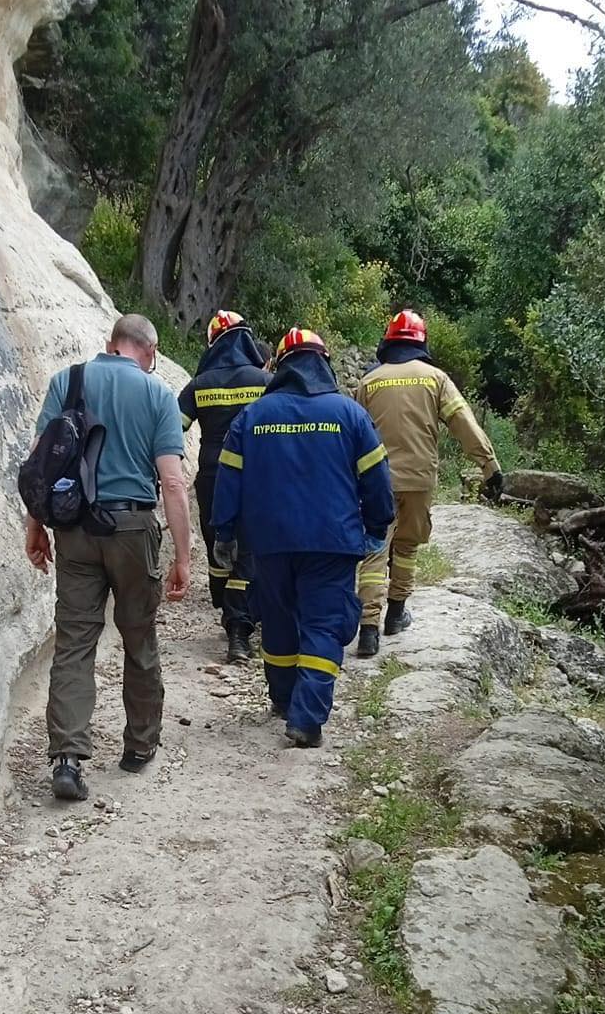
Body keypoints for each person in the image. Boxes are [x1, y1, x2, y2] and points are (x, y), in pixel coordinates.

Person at [25, 313, 192, 801]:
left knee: (75, 642)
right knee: (139, 637)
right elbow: (174, 482)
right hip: (133, 528)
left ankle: (68, 759)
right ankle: (139, 746)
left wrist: (36, 527)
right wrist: (183, 556)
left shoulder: (68, 380)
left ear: (110, 344)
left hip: (74, 528)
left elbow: (40, 461)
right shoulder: (157, 393)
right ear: (151, 350)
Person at [211, 327, 394, 749]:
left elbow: (229, 479)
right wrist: (377, 526)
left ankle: (283, 698)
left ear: (280, 366)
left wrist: (225, 531)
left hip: (269, 543)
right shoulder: (349, 415)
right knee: (323, 624)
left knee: (276, 619)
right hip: (332, 542)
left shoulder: (253, 416)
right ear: (324, 362)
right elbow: (377, 479)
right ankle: (307, 719)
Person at [352, 309, 505, 658]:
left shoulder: (369, 382)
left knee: (375, 549)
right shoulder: (436, 379)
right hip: (420, 479)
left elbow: (355, 433)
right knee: (405, 547)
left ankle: (368, 631)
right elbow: (463, 423)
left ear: (389, 340)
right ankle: (395, 615)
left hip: (377, 480)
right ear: (422, 341)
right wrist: (489, 467)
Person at [177, 310, 269, 662]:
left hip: (213, 476)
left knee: (218, 542)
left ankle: (227, 609)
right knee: (247, 550)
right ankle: (239, 627)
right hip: (255, 476)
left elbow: (174, 430)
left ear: (213, 344)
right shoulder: (263, 380)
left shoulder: (199, 385)